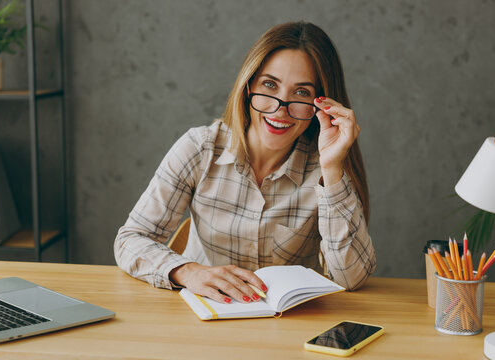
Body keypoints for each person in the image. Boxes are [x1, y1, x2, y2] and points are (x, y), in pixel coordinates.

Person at [114, 21, 376, 305]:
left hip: (292, 326)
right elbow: (130, 240)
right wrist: (188, 272)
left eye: (301, 92)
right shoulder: (201, 149)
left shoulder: (326, 167)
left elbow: (351, 278)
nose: (279, 106)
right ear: (249, 86)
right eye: (269, 84)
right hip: (206, 318)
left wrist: (333, 170)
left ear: (320, 104)